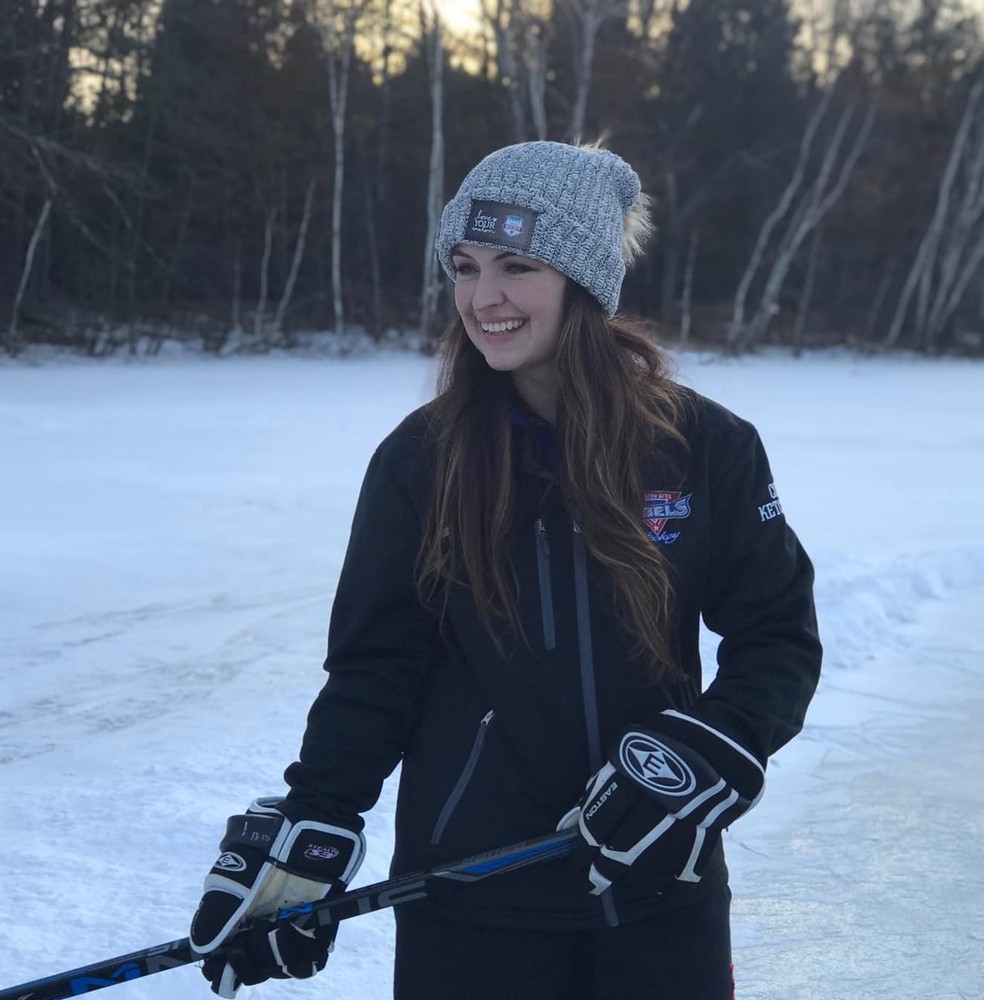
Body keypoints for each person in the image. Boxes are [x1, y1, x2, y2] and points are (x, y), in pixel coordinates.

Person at [188, 140, 822, 1000]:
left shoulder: (703, 446)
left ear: (582, 282)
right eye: (465, 266)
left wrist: (710, 750)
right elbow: (377, 667)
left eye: (517, 267)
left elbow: (777, 634)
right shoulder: (421, 460)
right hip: (471, 902)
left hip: (659, 889)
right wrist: (316, 820)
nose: (483, 298)